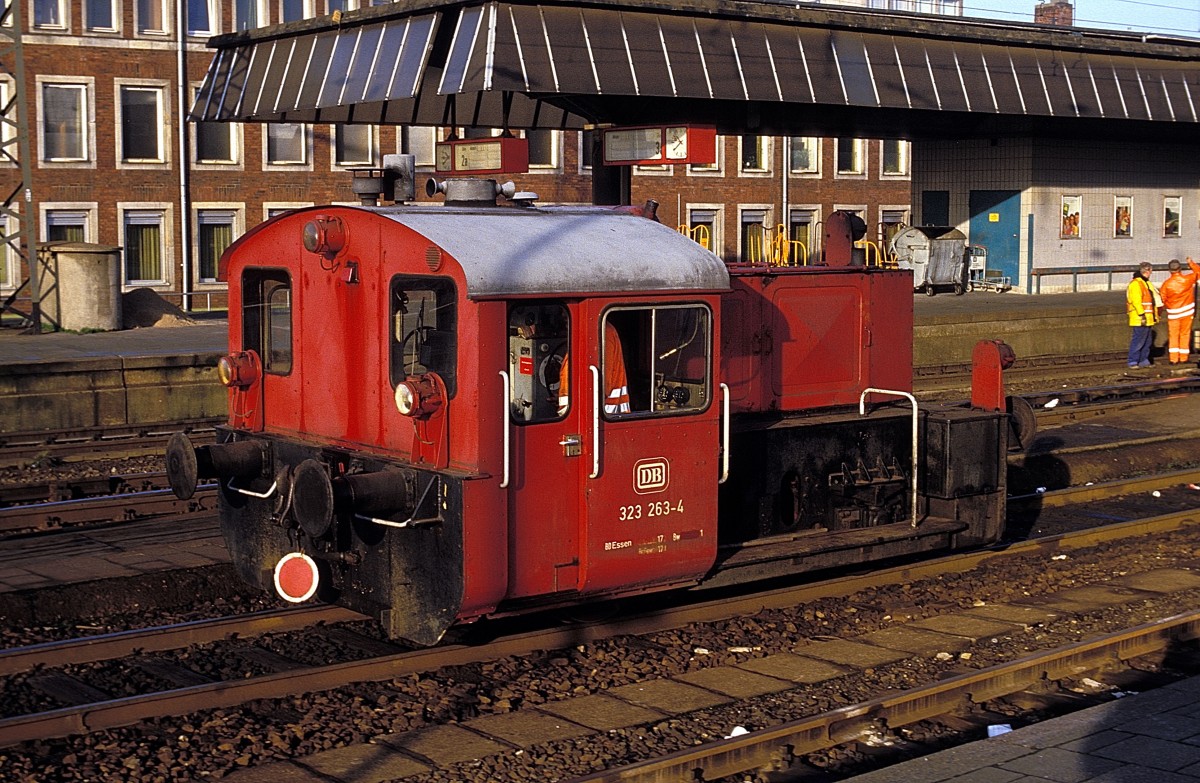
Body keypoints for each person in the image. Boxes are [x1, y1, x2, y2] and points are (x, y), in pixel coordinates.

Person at [1159, 257, 1200, 364]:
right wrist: (1191, 263)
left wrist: (1167, 307)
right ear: (1180, 269)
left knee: (1173, 335)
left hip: (1173, 313)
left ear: (1169, 270)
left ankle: (1173, 359)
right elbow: (1198, 272)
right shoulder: (1188, 279)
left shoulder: (1166, 284)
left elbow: (1162, 300)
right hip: (1187, 311)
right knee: (1185, 334)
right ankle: (1184, 358)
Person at [1126, 262, 1162, 368]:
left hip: (1147, 317)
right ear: (1148, 270)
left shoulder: (1145, 283)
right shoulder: (1136, 284)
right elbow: (1136, 301)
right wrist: (1142, 314)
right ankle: (1133, 361)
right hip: (1140, 318)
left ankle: (1143, 360)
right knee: (1138, 340)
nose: (1151, 273)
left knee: (1146, 341)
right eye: (1151, 270)